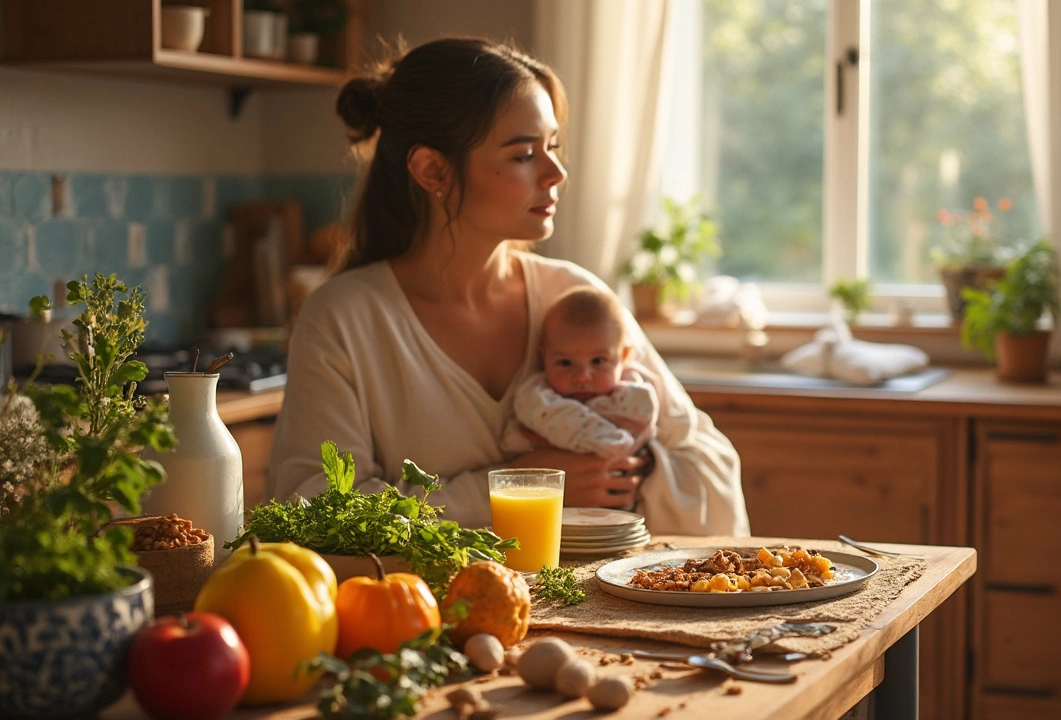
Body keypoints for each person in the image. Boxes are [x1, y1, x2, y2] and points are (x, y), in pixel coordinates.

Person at [266, 36, 750, 536]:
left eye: (553, 147)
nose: (556, 172)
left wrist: (628, 468)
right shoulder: (343, 319)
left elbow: (708, 463)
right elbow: (311, 507)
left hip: (586, 607)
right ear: (433, 170)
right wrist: (517, 487)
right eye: (523, 155)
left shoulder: (574, 299)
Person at [500, 286, 659, 464]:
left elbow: (647, 427)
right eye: (565, 363)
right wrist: (606, 441)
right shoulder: (537, 396)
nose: (583, 376)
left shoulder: (635, 389)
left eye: (598, 361)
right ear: (543, 358)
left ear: (623, 357)